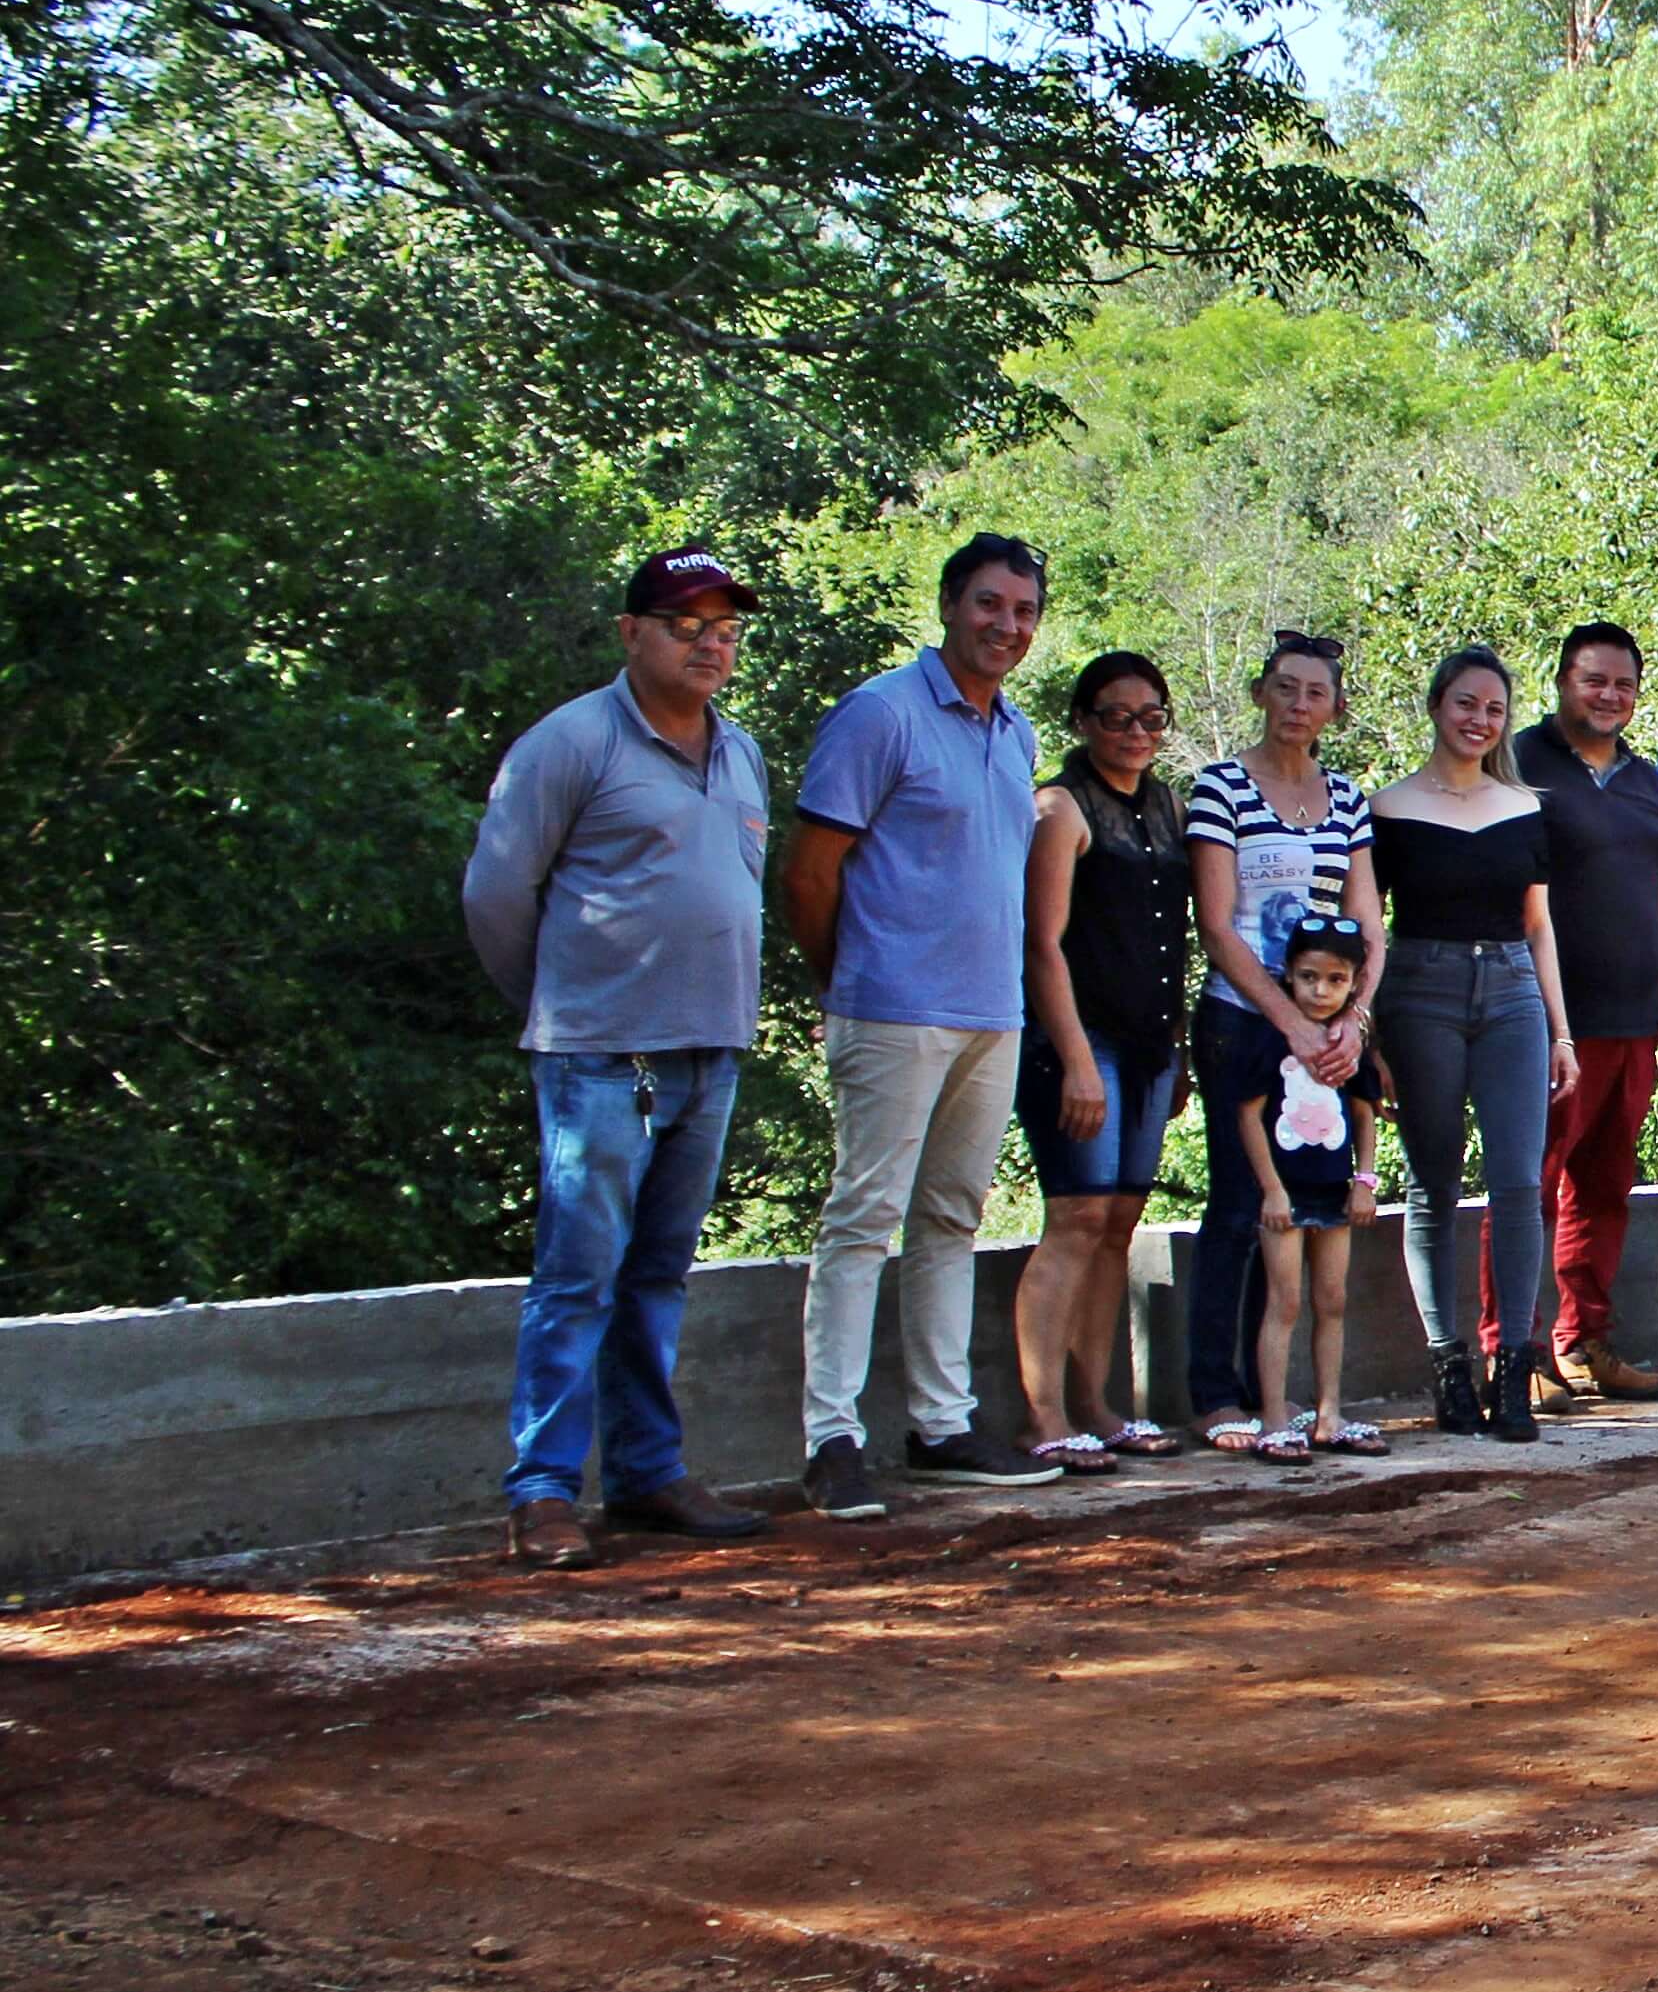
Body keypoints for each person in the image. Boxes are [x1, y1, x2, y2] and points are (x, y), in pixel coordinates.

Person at [461, 547, 781, 1567]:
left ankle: (649, 1474)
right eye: (686, 623)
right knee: (577, 1277)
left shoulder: (741, 753)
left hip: (709, 1054)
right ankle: (544, 1491)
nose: (710, 642)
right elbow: (496, 897)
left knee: (658, 1275)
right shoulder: (571, 742)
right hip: (600, 1058)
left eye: (725, 626)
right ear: (630, 631)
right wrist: (566, 1005)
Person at [783, 533, 1065, 1518]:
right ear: (950, 604)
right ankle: (832, 1438)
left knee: (950, 1218)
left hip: (991, 1011)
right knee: (862, 1219)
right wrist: (853, 976)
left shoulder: (1016, 733)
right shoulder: (880, 715)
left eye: (1024, 611)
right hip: (892, 1010)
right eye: (990, 604)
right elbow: (812, 872)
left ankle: (941, 1425)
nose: (1007, 626)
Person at [1367, 644, 1579, 1442]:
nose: (1477, 720)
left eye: (1492, 709)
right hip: (1418, 988)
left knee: (1519, 1183)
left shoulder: (1524, 807)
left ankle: (1513, 1373)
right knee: (1433, 1180)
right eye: (1465, 703)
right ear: (1435, 704)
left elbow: (1538, 925)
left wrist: (1561, 1031)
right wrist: (1367, 1029)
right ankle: (1449, 1365)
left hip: (1512, 991)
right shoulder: (1385, 809)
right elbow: (1369, 928)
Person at [1182, 633, 1376, 1454]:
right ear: (1261, 692)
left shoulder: (1347, 798)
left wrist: (1352, 1020)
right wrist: (1287, 1020)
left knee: (1309, 1204)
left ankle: (1293, 1404)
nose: (1300, 705)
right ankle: (1216, 1395)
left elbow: (1368, 919)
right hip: (1242, 1020)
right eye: (1286, 689)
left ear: (1334, 707)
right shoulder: (1220, 787)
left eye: (1316, 693)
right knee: (1239, 1204)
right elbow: (1217, 925)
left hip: (1327, 1028)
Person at [1508, 623, 1658, 1407]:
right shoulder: (1517, 764)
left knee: (1602, 1188)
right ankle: (1512, 1351)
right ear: (1561, 680)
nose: (1609, 696)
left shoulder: (1644, 779)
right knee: (1529, 1181)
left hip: (1631, 1020)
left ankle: (1584, 1341)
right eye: (1594, 680)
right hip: (1549, 1022)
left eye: (1623, 684)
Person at [1010, 651, 1195, 1472]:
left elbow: (1177, 940)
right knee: (1076, 1218)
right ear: (1084, 721)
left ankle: (1098, 1402)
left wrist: (1180, 1048)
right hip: (1077, 1044)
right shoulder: (1060, 807)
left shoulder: (1168, 807)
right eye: (1117, 716)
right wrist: (1078, 1059)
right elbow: (1040, 944)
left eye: (1151, 716)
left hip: (1153, 1043)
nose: (1135, 731)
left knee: (1119, 1223)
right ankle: (1044, 1410)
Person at [1226, 918, 1390, 1463]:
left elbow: (1365, 1115)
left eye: (1336, 980)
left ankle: (1329, 1412)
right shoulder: (1271, 1040)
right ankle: (1274, 1416)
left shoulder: (1350, 1045)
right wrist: (1270, 1189)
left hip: (1335, 1194)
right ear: (1288, 976)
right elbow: (1248, 1116)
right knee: (1285, 1302)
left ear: (1354, 983)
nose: (1320, 991)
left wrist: (1364, 1181)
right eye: (1308, 977)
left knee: (1333, 1301)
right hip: (1285, 1197)